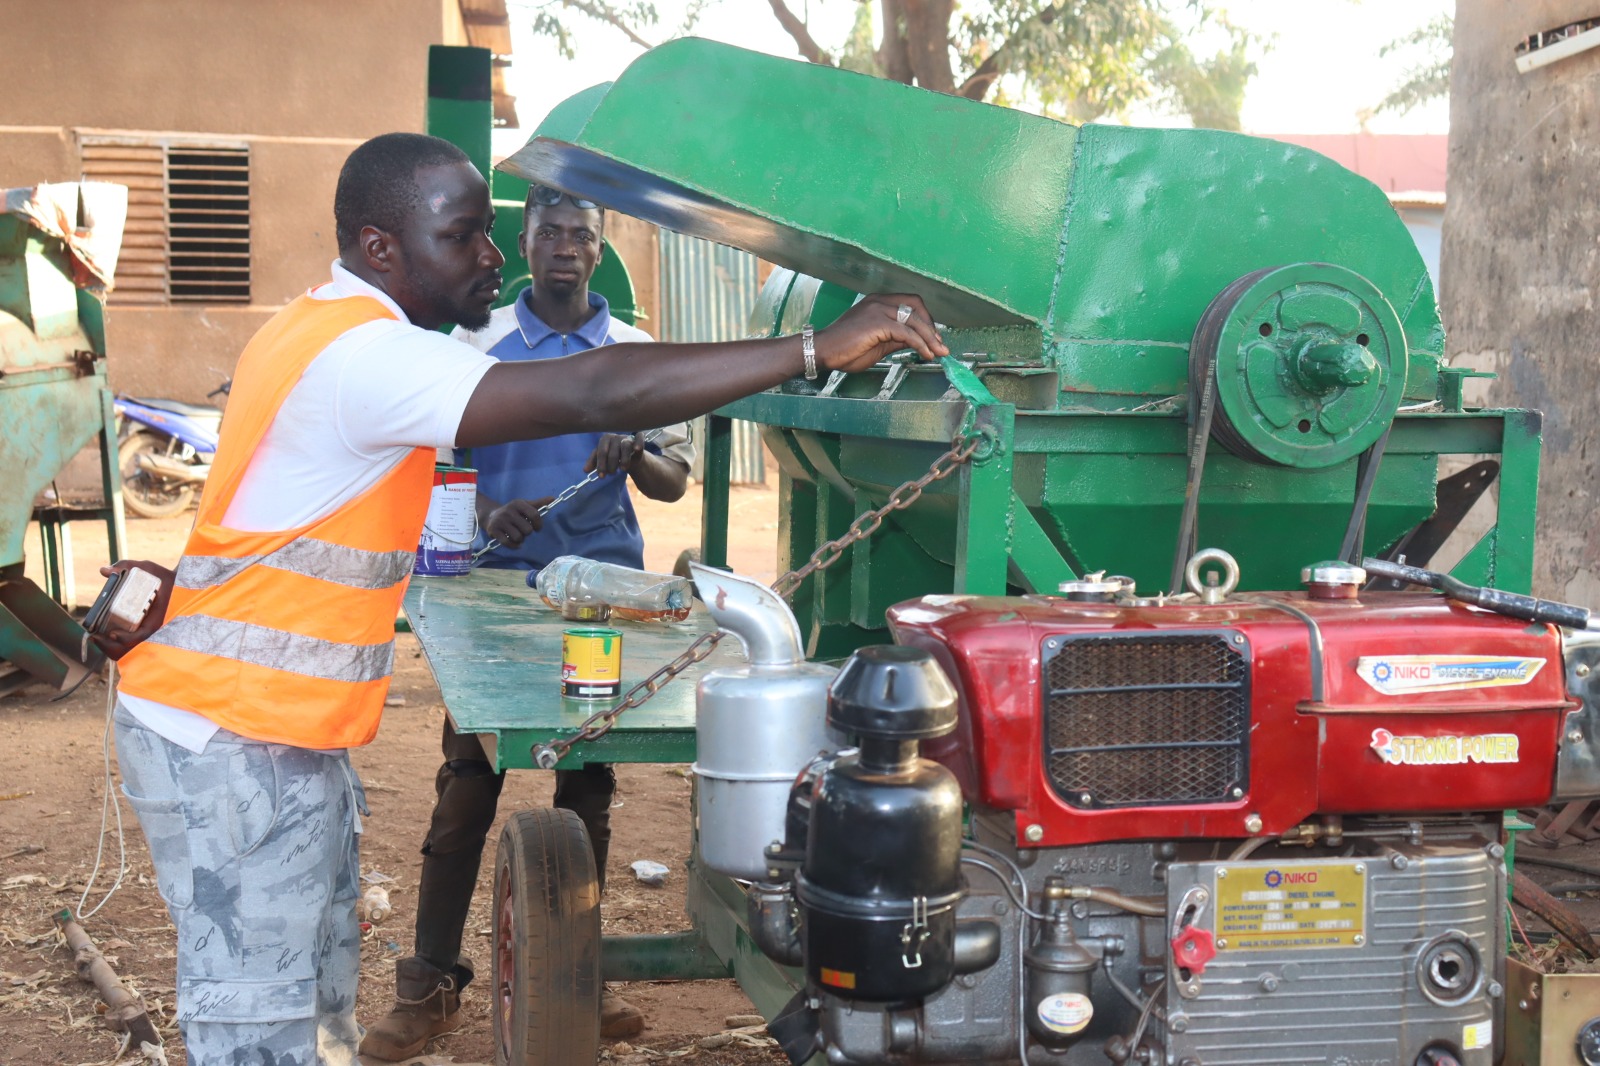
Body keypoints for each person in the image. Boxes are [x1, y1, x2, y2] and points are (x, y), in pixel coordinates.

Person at [97, 131, 946, 1066]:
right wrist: (813, 345)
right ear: (382, 248)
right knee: (260, 1026)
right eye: (463, 236)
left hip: (273, 730)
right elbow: (593, 388)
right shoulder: (365, 356)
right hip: (230, 738)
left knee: (312, 1005)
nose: (492, 256)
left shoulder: (330, 331)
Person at [360, 184, 691, 1059]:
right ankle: (429, 986)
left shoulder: (631, 352)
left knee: (587, 781)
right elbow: (426, 473)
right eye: (549, 233)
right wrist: (489, 512)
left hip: (602, 601)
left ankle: (575, 981)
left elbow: (673, 481)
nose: (566, 249)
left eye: (581, 235)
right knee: (468, 781)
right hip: (494, 599)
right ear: (526, 241)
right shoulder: (474, 344)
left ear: (600, 244)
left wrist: (638, 451)